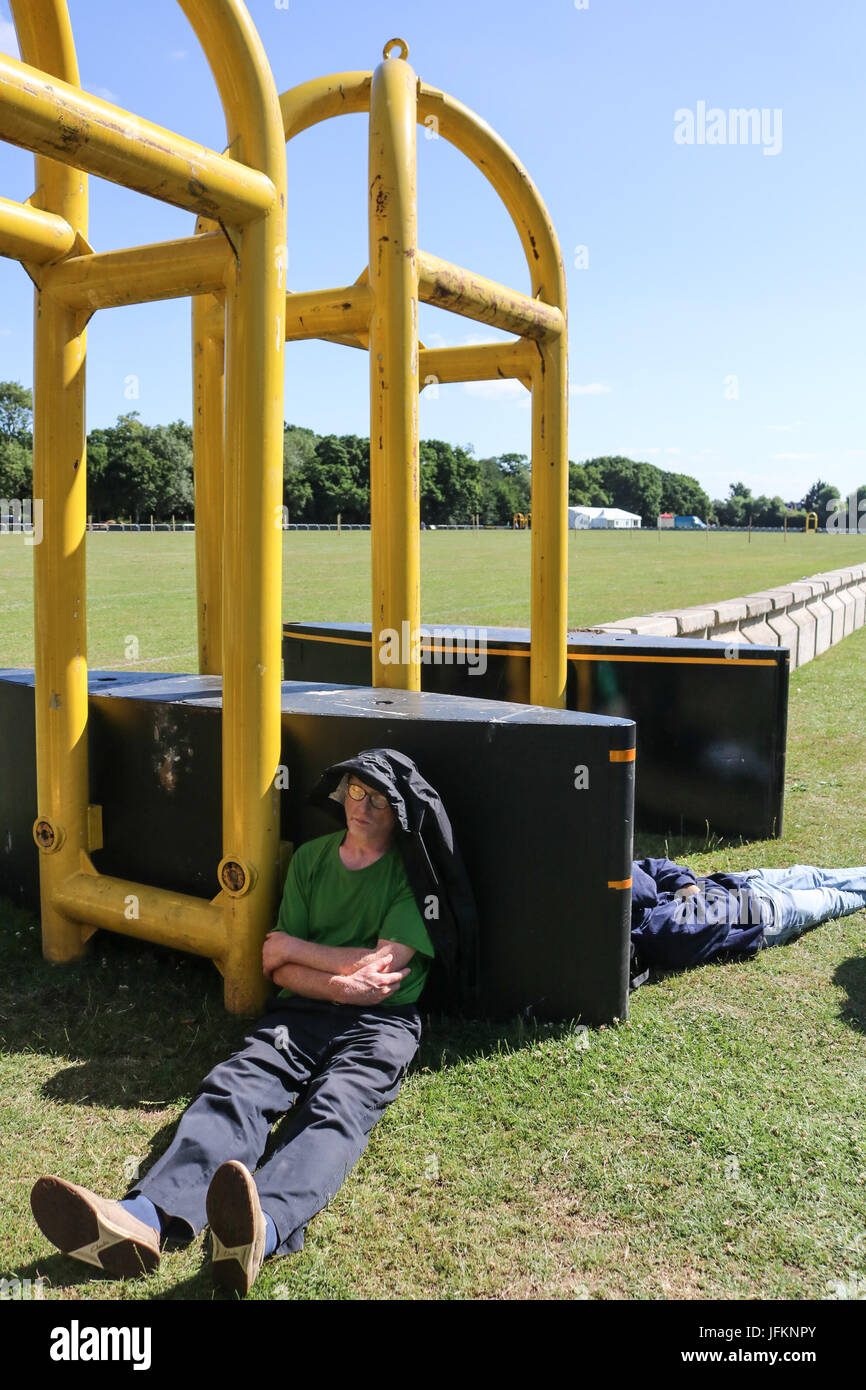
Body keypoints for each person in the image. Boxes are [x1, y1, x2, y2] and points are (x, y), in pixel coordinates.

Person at [30, 749, 475, 1296]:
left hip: (381, 1025)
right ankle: (142, 1216)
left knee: (334, 1111)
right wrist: (333, 977)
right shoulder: (312, 861)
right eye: (356, 791)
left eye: (378, 797)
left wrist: (299, 951)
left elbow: (378, 970)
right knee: (235, 1086)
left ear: (398, 812)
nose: (362, 805)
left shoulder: (413, 876)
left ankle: (254, 1233)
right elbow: (275, 963)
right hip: (301, 1012)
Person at [630, 856, 866, 976]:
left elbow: (656, 866)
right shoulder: (657, 930)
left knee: (812, 875)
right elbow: (722, 911)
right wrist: (696, 889)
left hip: (742, 881)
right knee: (835, 898)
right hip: (760, 912)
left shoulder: (616, 887)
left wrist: (687, 885)